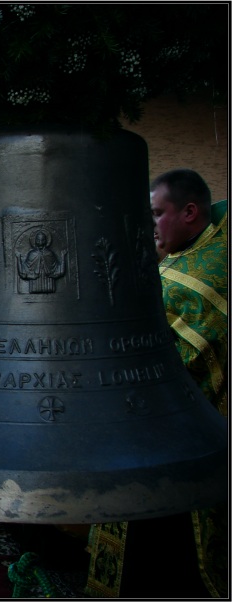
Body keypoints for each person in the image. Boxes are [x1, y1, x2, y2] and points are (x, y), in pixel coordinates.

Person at [86, 169, 228, 598]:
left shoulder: (206, 275)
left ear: (189, 212)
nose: (150, 227)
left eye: (156, 214)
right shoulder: (195, 255)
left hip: (179, 447)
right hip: (156, 435)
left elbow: (166, 365)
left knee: (164, 564)